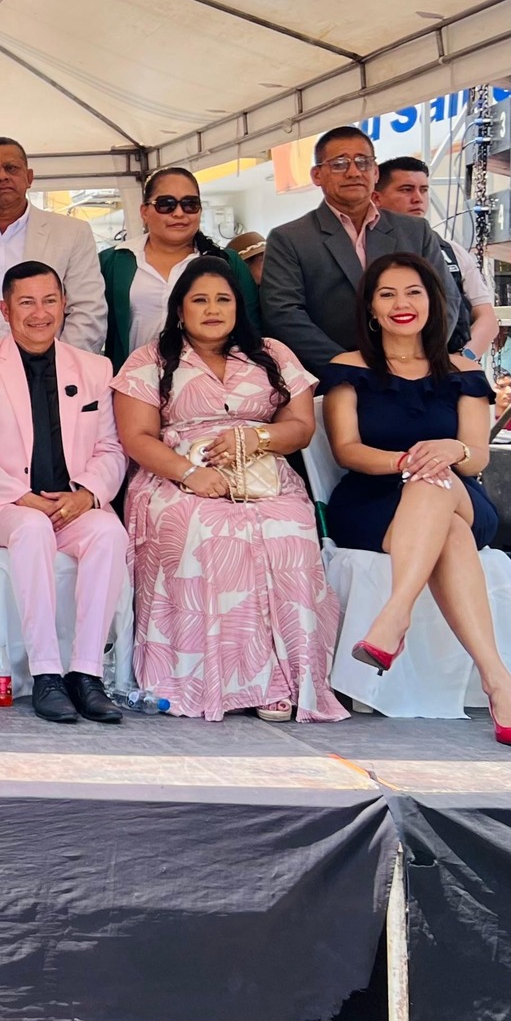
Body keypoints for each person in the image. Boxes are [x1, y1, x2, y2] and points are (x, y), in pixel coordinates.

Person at [110, 258, 344, 723]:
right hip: (176, 476)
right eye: (199, 300)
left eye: (223, 299)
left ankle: (285, 681)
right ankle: (216, 681)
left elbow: (301, 427)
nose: (212, 309)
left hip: (263, 472)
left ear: (239, 306)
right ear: (180, 310)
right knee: (210, 530)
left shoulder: (272, 354)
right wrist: (189, 474)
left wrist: (257, 437)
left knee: (289, 531)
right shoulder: (150, 360)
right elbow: (136, 438)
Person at [322, 253, 511, 747]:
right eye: (388, 294)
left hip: (461, 493)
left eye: (413, 292)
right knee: (441, 513)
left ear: (433, 302)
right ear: (371, 308)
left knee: (436, 484)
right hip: (373, 501)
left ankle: (394, 616)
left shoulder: (464, 370)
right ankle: (498, 682)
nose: (402, 303)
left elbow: (477, 456)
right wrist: (407, 461)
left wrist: (452, 450)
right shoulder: (346, 369)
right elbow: (347, 450)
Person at [0, 262, 130, 725]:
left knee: (109, 533)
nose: (40, 313)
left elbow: (111, 449)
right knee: (31, 528)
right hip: (5, 506)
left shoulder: (94, 368)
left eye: (50, 301)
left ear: (65, 304)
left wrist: (86, 495)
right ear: (4, 309)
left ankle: (86, 674)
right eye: (26, 302)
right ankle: (47, 673)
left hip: (72, 504)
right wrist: (23, 496)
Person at [260, 126, 467, 380]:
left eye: (363, 162)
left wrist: (417, 360)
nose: (354, 172)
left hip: (416, 377)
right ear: (317, 175)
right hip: (332, 380)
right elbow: (283, 314)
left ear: (375, 171)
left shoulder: (416, 231)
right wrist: (348, 367)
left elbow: (445, 297)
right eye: (339, 164)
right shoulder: (290, 239)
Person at [0, 137, 108, 364]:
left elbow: (88, 309)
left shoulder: (72, 233)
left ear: (29, 177)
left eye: (11, 168)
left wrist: (57, 369)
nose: (2, 176)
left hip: (53, 374)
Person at [100, 168, 260, 369]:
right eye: (166, 204)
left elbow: (252, 327)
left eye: (190, 204)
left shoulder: (227, 263)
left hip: (211, 380)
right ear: (144, 212)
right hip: (133, 379)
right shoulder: (113, 262)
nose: (178, 213)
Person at [375, 156, 500, 357]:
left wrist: (463, 358)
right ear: (376, 198)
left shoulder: (453, 251)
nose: (418, 198)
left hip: (449, 365)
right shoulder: (364, 249)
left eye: (423, 190)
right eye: (406, 189)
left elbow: (486, 317)